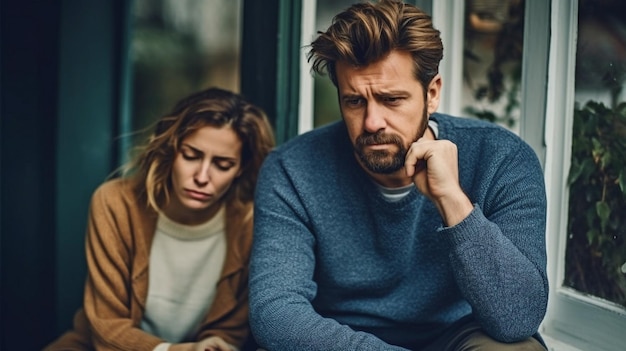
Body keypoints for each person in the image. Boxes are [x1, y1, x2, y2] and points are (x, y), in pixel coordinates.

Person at [248, 0, 548, 350]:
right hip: (337, 337)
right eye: (355, 101)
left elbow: (518, 318)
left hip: (458, 336)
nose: (373, 122)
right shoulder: (291, 169)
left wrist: (453, 201)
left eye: (391, 99)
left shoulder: (501, 158)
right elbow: (275, 312)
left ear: (432, 93)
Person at [44, 87, 275, 351]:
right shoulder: (115, 203)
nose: (201, 176)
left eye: (222, 165)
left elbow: (228, 332)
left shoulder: (250, 223)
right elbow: (106, 330)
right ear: (171, 149)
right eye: (191, 155)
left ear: (240, 168)